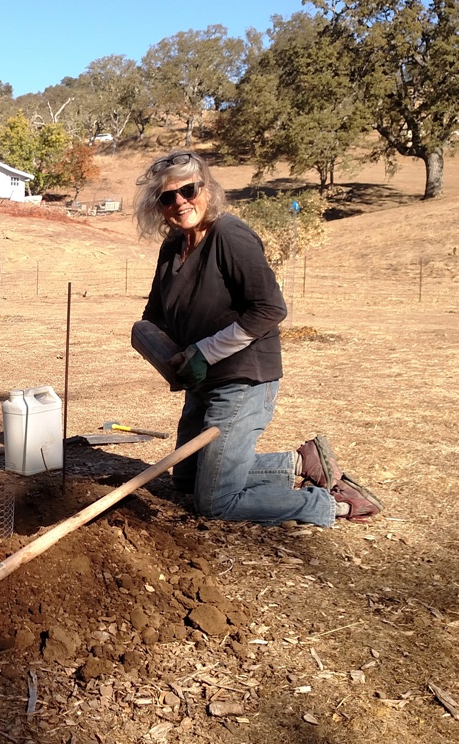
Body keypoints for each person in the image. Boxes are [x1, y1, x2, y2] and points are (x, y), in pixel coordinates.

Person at [130, 150, 382, 527]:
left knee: (214, 501)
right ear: (159, 206)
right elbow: (155, 316)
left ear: (208, 189)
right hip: (202, 382)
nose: (180, 202)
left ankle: (331, 506)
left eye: (189, 190)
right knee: (185, 478)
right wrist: (163, 353)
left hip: (243, 380)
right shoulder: (172, 248)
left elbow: (269, 309)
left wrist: (206, 352)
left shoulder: (229, 235)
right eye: (168, 197)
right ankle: (299, 461)